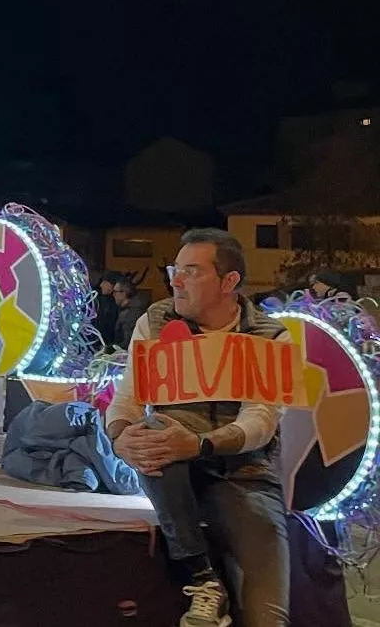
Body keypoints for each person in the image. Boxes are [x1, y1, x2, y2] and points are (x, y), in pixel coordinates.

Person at [106, 229, 289, 627]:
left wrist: (201, 444)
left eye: (191, 271)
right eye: (176, 269)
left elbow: (261, 420)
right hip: (172, 466)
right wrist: (120, 438)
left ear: (229, 282)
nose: (175, 280)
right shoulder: (154, 322)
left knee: (268, 617)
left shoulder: (269, 335)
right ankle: (202, 578)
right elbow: (126, 401)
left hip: (245, 474)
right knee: (153, 428)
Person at [112, 277, 145, 348]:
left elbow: (128, 343)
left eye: (115, 291)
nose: (113, 295)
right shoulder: (128, 310)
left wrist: (109, 350)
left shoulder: (131, 314)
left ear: (124, 293)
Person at [94, 271, 120, 347]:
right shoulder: (101, 301)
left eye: (104, 282)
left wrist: (106, 351)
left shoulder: (116, 305)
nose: (101, 285)